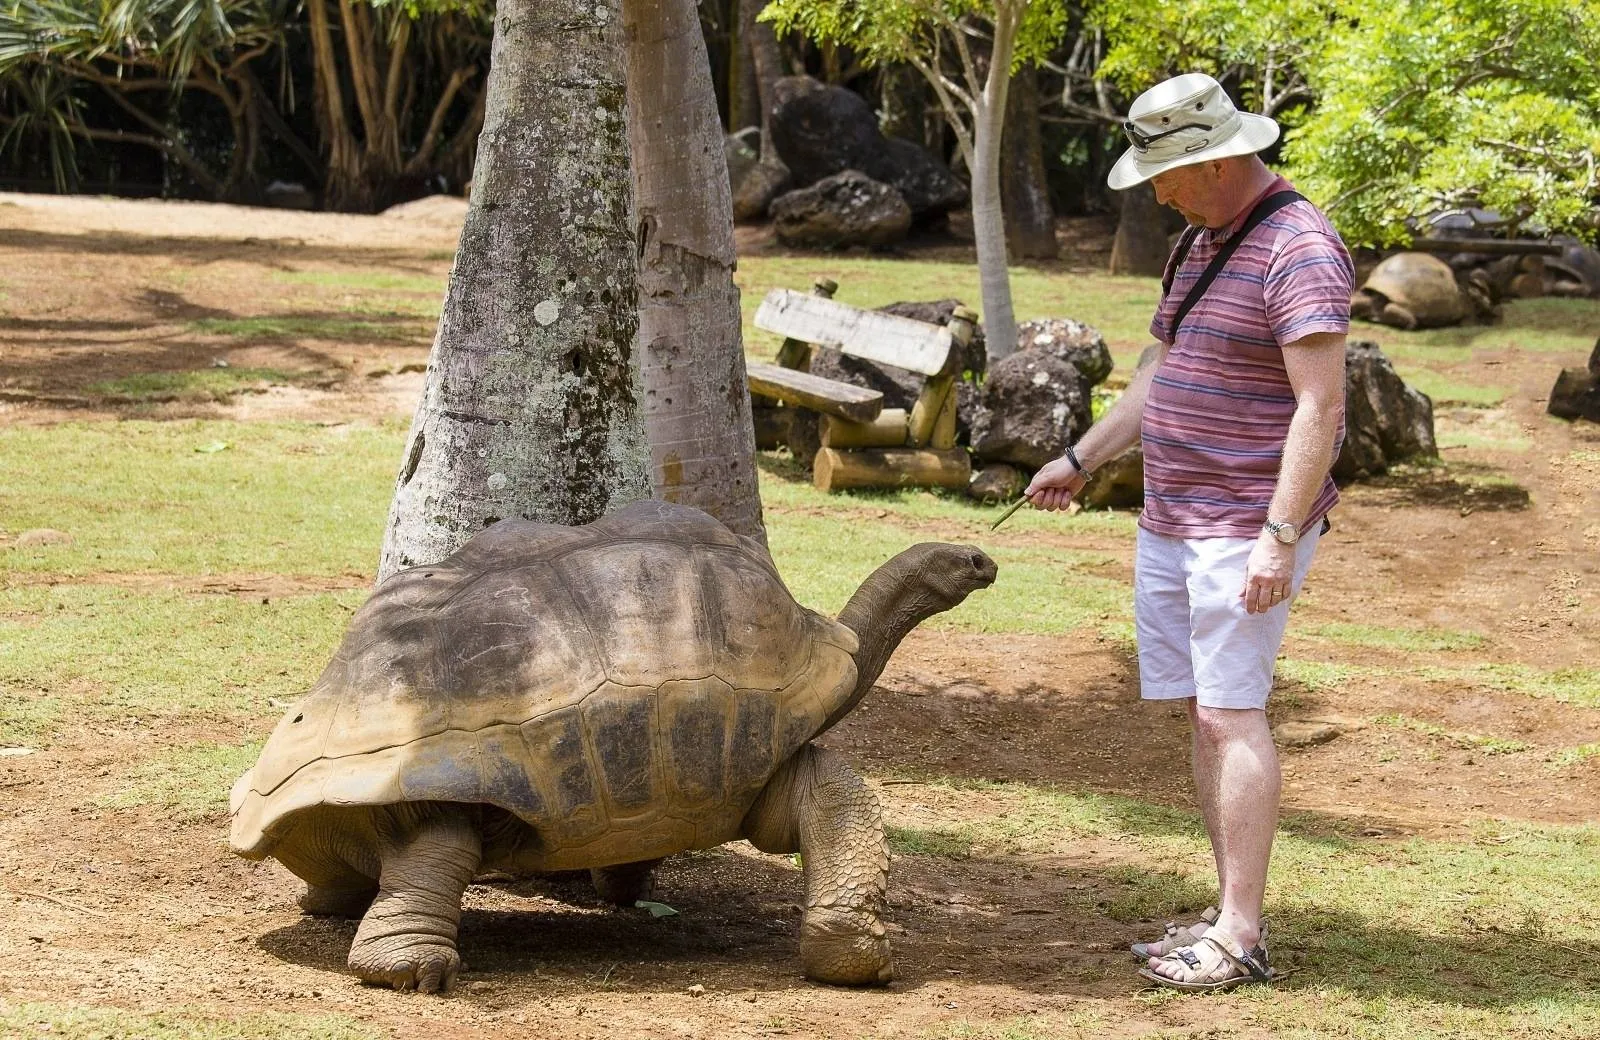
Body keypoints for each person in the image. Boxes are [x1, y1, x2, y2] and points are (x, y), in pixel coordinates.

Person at [1024, 72, 1352, 992]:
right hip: (1173, 516)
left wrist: (1279, 535)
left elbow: (1318, 407)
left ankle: (1241, 935)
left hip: (1245, 523)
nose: (1157, 192)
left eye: (1165, 174)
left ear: (1215, 159)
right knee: (1204, 718)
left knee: (1229, 712)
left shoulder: (1300, 248)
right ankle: (1223, 910)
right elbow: (1156, 377)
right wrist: (1083, 458)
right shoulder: (1201, 243)